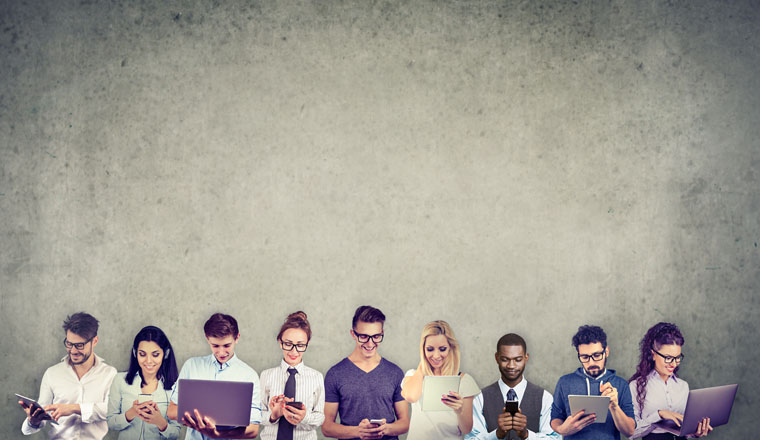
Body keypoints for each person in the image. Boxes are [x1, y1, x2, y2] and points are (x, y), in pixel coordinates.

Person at [19, 312, 118, 439]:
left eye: (79, 345)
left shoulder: (109, 374)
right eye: (69, 344)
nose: (73, 351)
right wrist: (33, 421)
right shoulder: (52, 374)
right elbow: (39, 418)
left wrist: (74, 408)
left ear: (95, 341)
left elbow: (112, 410)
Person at [167, 313, 262, 439]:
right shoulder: (191, 366)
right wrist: (198, 420)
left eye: (227, 345)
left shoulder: (249, 376)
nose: (221, 352)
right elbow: (171, 411)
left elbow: (254, 429)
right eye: (215, 346)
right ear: (207, 338)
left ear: (237, 338)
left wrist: (218, 434)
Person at [321, 305, 410, 440]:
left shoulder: (395, 373)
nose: (370, 343)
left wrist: (386, 429)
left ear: (382, 333)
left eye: (376, 336)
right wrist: (358, 431)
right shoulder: (335, 374)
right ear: (353, 334)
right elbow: (327, 427)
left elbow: (404, 423)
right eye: (363, 336)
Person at [466, 333, 558, 440]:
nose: (511, 366)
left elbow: (554, 438)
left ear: (526, 358)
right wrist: (496, 434)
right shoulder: (480, 398)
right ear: (497, 358)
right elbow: (471, 438)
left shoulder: (545, 398)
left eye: (518, 360)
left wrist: (526, 435)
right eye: (505, 359)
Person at [628, 322, 712, 439]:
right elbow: (632, 433)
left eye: (677, 358)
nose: (673, 364)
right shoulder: (636, 386)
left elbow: (685, 430)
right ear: (653, 354)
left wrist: (695, 433)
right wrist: (659, 414)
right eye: (668, 358)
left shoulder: (683, 386)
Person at [550, 325, 635, 439]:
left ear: (606, 352)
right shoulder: (565, 382)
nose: (591, 363)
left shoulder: (621, 384)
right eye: (585, 357)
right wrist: (562, 429)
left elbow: (630, 431)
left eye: (596, 355)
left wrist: (614, 407)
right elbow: (555, 417)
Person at [401, 320, 479, 439]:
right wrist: (423, 365)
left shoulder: (464, 381)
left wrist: (459, 411)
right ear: (423, 349)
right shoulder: (413, 375)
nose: (436, 356)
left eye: (442, 349)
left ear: (450, 349)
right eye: (430, 349)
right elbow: (411, 397)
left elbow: (466, 429)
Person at [107, 325, 182, 439]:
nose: (148, 361)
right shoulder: (120, 380)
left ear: (165, 354)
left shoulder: (175, 387)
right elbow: (111, 423)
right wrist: (131, 413)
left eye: (155, 355)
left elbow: (176, 434)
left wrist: (161, 423)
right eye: (142, 354)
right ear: (135, 353)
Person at [259, 311, 325, 440]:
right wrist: (273, 415)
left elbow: (320, 416)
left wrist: (304, 417)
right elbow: (256, 414)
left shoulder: (316, 377)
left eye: (300, 345)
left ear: (307, 344)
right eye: (288, 344)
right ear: (280, 341)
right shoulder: (266, 375)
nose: (294, 351)